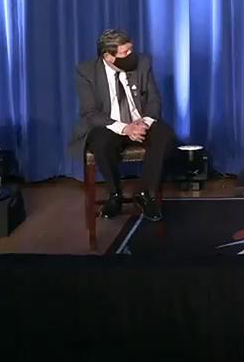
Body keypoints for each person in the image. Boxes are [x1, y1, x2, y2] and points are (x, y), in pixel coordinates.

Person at [68, 28, 174, 221]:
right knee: (100, 142)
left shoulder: (143, 63)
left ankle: (144, 193)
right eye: (124, 53)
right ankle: (115, 194)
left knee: (165, 135)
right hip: (109, 125)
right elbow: (90, 113)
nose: (130, 55)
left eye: (131, 49)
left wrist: (145, 122)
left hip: (140, 121)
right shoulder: (86, 72)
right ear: (108, 57)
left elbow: (154, 100)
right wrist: (125, 128)